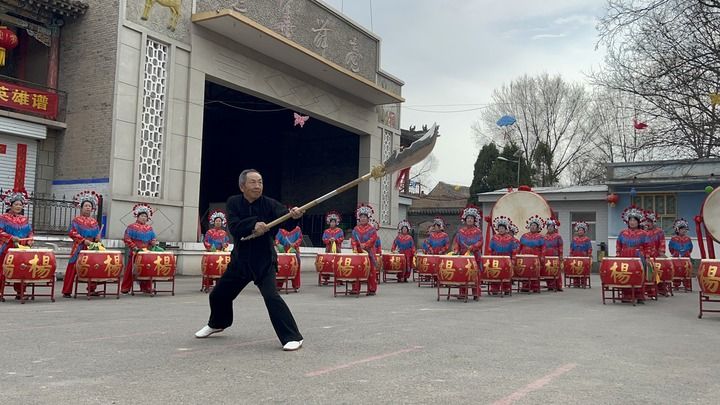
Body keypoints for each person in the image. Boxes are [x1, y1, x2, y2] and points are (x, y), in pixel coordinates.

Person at [195, 169, 304, 351]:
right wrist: (253, 225)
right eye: (253, 182)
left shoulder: (270, 204)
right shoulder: (234, 202)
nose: (257, 186)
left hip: (264, 261)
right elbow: (234, 227)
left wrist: (294, 216)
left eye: (260, 182)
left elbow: (285, 220)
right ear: (242, 186)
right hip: (241, 261)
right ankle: (218, 323)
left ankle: (293, 337)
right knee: (218, 294)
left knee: (271, 297)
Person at [62, 191, 102, 298]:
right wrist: (83, 240)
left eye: (90, 206)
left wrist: (97, 239)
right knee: (72, 267)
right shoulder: (76, 220)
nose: (88, 208)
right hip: (79, 246)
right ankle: (67, 290)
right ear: (81, 207)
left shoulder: (94, 222)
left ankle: (92, 289)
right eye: (86, 206)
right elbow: (72, 233)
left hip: (91, 247)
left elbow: (97, 235)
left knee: (94, 266)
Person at [0, 190, 34, 299]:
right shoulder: (3, 218)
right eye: (16, 204)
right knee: (3, 269)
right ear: (11, 205)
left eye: (20, 205)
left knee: (21, 268)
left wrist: (30, 240)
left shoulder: (24, 219)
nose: (18, 206)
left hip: (21, 249)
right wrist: (11, 237)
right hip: (6, 248)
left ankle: (20, 292)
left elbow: (30, 232)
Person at [121, 203, 159, 294]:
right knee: (130, 270)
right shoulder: (131, 227)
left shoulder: (149, 228)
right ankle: (125, 287)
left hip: (146, 253)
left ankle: (146, 287)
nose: (143, 218)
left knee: (147, 269)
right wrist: (134, 247)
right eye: (142, 216)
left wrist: (153, 242)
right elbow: (127, 238)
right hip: (135, 252)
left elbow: (153, 238)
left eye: (145, 216)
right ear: (137, 217)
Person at [616, 206, 647, 302]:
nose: (632, 222)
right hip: (625, 256)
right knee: (626, 274)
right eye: (630, 220)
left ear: (638, 222)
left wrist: (647, 256)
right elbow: (618, 244)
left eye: (634, 220)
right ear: (627, 221)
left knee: (638, 275)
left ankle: (639, 296)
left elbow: (648, 246)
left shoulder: (643, 233)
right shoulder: (622, 233)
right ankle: (626, 295)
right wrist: (618, 253)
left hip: (638, 256)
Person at [452, 205, 483, 298]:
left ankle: (476, 293)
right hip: (463, 255)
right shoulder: (461, 231)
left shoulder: (478, 231)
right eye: (468, 218)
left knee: (475, 273)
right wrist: (456, 250)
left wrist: (473, 247)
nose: (469, 220)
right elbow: (456, 242)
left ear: (474, 220)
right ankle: (462, 293)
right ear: (465, 220)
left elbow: (480, 242)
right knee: (462, 272)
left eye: (471, 218)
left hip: (474, 255)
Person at [351, 204, 379, 295]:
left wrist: (366, 244)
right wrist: (355, 247)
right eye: (361, 217)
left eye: (364, 217)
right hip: (359, 252)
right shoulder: (356, 229)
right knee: (356, 269)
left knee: (371, 270)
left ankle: (371, 289)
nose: (362, 219)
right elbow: (353, 240)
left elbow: (373, 238)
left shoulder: (372, 229)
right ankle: (355, 288)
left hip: (369, 252)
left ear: (368, 218)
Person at [487, 216, 516, 295]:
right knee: (495, 274)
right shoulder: (494, 238)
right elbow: (490, 249)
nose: (501, 230)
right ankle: (494, 288)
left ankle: (506, 288)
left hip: (506, 259)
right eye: (499, 228)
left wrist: (513, 259)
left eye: (502, 228)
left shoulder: (510, 238)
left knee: (506, 273)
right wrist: (489, 258)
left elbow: (514, 250)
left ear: (506, 229)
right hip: (496, 259)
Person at [203, 210, 230, 291]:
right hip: (211, 254)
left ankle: (220, 285)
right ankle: (208, 284)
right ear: (214, 222)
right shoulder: (209, 232)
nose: (218, 222)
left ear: (222, 223)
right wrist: (210, 247)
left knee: (221, 271)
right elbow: (205, 241)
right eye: (217, 221)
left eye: (219, 221)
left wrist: (225, 245)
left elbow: (227, 242)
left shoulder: (224, 233)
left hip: (220, 254)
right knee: (210, 270)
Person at [519, 215, 545, 292]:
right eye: (532, 225)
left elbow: (543, 248)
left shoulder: (541, 237)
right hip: (525, 257)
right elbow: (519, 247)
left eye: (534, 226)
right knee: (525, 271)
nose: (533, 227)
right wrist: (517, 256)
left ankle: (535, 287)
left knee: (535, 271)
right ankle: (525, 286)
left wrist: (542, 257)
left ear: (537, 227)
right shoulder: (524, 236)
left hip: (536, 257)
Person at [275, 224, 302, 290]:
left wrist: (295, 244)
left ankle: (296, 284)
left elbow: (300, 238)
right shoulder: (280, 229)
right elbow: (276, 239)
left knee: (297, 263)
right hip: (283, 250)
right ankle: (279, 284)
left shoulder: (297, 229)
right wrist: (278, 244)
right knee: (280, 266)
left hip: (294, 249)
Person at [669, 218, 693, 290]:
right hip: (676, 258)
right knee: (676, 270)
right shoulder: (673, 239)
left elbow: (690, 248)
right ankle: (676, 285)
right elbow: (671, 248)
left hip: (686, 257)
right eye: (682, 229)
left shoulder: (688, 239)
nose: (684, 230)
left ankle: (687, 285)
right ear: (677, 230)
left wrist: (686, 253)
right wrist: (675, 253)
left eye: (685, 229)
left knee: (687, 270)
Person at [569, 221, 592, 287]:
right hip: (575, 257)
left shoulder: (587, 239)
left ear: (584, 231)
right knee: (575, 269)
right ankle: (576, 283)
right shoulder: (574, 239)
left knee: (583, 270)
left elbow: (589, 248)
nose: (580, 231)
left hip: (584, 258)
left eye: (582, 230)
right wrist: (571, 254)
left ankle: (583, 283)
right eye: (579, 230)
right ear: (577, 231)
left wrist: (589, 255)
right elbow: (571, 248)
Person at [543, 218, 563, 291]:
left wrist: (560, 256)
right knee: (548, 271)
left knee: (556, 271)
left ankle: (558, 286)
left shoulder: (558, 236)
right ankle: (550, 286)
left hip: (555, 256)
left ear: (554, 228)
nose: (550, 228)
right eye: (549, 226)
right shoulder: (544, 237)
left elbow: (560, 246)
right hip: (546, 256)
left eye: (551, 226)